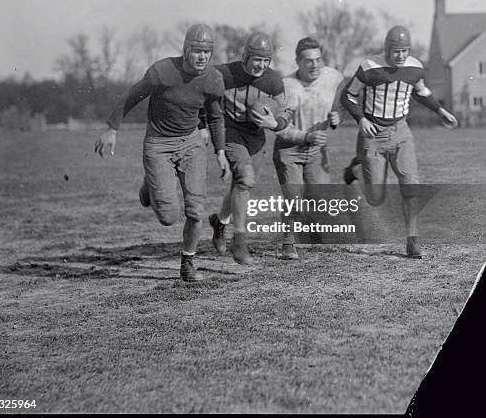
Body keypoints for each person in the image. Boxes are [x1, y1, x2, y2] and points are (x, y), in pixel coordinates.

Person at [95, 24, 230, 282]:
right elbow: (131, 96)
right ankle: (151, 182)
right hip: (159, 143)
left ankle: (188, 261)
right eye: (197, 51)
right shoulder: (163, 72)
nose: (202, 57)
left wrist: (220, 151)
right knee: (168, 217)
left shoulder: (213, 79)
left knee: (195, 210)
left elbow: (215, 117)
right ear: (186, 49)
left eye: (207, 52)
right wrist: (112, 129)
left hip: (191, 143)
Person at [340, 25, 458, 258]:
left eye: (405, 51)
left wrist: (441, 111)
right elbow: (348, 95)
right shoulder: (369, 67)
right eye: (396, 51)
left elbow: (420, 91)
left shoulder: (414, 67)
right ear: (387, 49)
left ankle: (412, 240)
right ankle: (356, 168)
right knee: (375, 198)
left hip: (401, 131)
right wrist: (360, 119)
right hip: (373, 133)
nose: (401, 56)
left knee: (410, 184)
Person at [207, 32, 291, 265]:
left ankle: (220, 223)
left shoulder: (273, 80)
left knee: (240, 185)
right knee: (245, 178)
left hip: (255, 138)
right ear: (245, 55)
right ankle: (240, 241)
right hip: (230, 132)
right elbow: (202, 96)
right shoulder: (223, 74)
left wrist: (275, 123)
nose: (261, 65)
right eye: (256, 59)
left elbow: (286, 111)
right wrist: (203, 125)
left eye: (266, 61)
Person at [273, 37, 345, 259]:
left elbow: (340, 104)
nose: (314, 65)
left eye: (318, 60)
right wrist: (306, 135)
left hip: (316, 150)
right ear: (297, 62)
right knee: (294, 198)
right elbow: (278, 128)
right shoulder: (285, 86)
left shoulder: (333, 77)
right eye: (308, 61)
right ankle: (288, 242)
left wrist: (337, 117)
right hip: (289, 149)